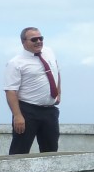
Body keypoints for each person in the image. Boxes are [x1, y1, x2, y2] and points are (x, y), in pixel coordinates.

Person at [4, 26, 62, 154]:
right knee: (20, 151)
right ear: (23, 42)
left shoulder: (49, 52)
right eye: (34, 39)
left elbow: (56, 72)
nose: (38, 42)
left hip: (49, 111)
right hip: (28, 111)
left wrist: (58, 93)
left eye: (40, 38)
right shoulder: (16, 63)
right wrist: (18, 116)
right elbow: (11, 91)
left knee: (51, 151)